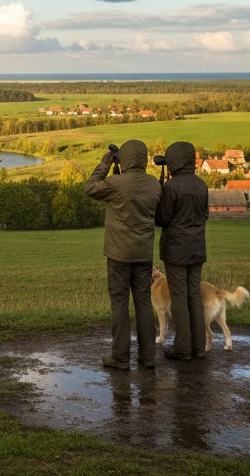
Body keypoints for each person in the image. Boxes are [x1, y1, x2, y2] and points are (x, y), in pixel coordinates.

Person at [85, 140, 161, 371]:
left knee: (119, 303)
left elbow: (90, 188)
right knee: (144, 304)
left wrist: (104, 164)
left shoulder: (116, 184)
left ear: (124, 159)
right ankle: (148, 357)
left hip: (118, 255)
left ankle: (120, 357)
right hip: (144, 254)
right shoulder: (154, 185)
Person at [155, 140, 209, 360]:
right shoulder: (201, 185)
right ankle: (198, 346)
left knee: (179, 297)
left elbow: (162, 219)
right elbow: (205, 215)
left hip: (176, 250)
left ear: (174, 163)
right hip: (197, 247)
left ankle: (182, 348)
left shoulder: (171, 187)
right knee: (194, 294)